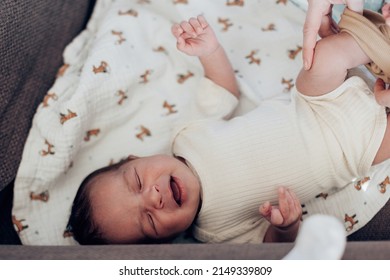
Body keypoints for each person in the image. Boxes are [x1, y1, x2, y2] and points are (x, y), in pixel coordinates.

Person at [68, 6, 390, 245]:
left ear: (137, 159)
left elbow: (222, 90)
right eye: (149, 220)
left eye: (137, 181)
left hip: (313, 101)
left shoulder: (186, 137)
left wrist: (210, 51)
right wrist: (285, 226)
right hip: (351, 152)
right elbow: (271, 246)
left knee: (321, 57)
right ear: (163, 243)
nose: (153, 198)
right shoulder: (215, 233)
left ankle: (380, 42)